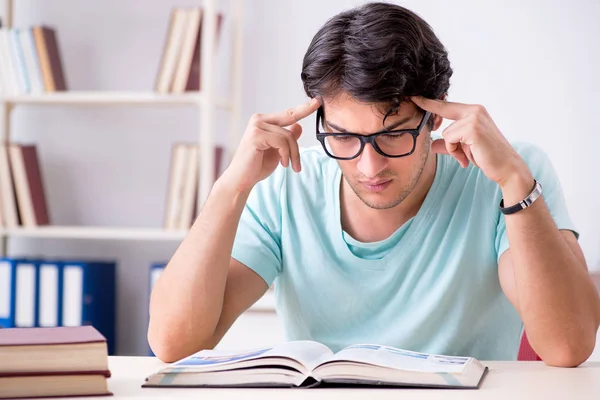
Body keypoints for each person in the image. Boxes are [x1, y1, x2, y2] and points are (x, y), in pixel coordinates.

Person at [148, 2, 600, 366]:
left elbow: (568, 346)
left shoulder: (505, 177)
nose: (369, 165)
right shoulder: (285, 186)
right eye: (343, 136)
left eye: (393, 135)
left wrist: (515, 181)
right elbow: (173, 344)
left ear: (436, 115)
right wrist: (231, 188)